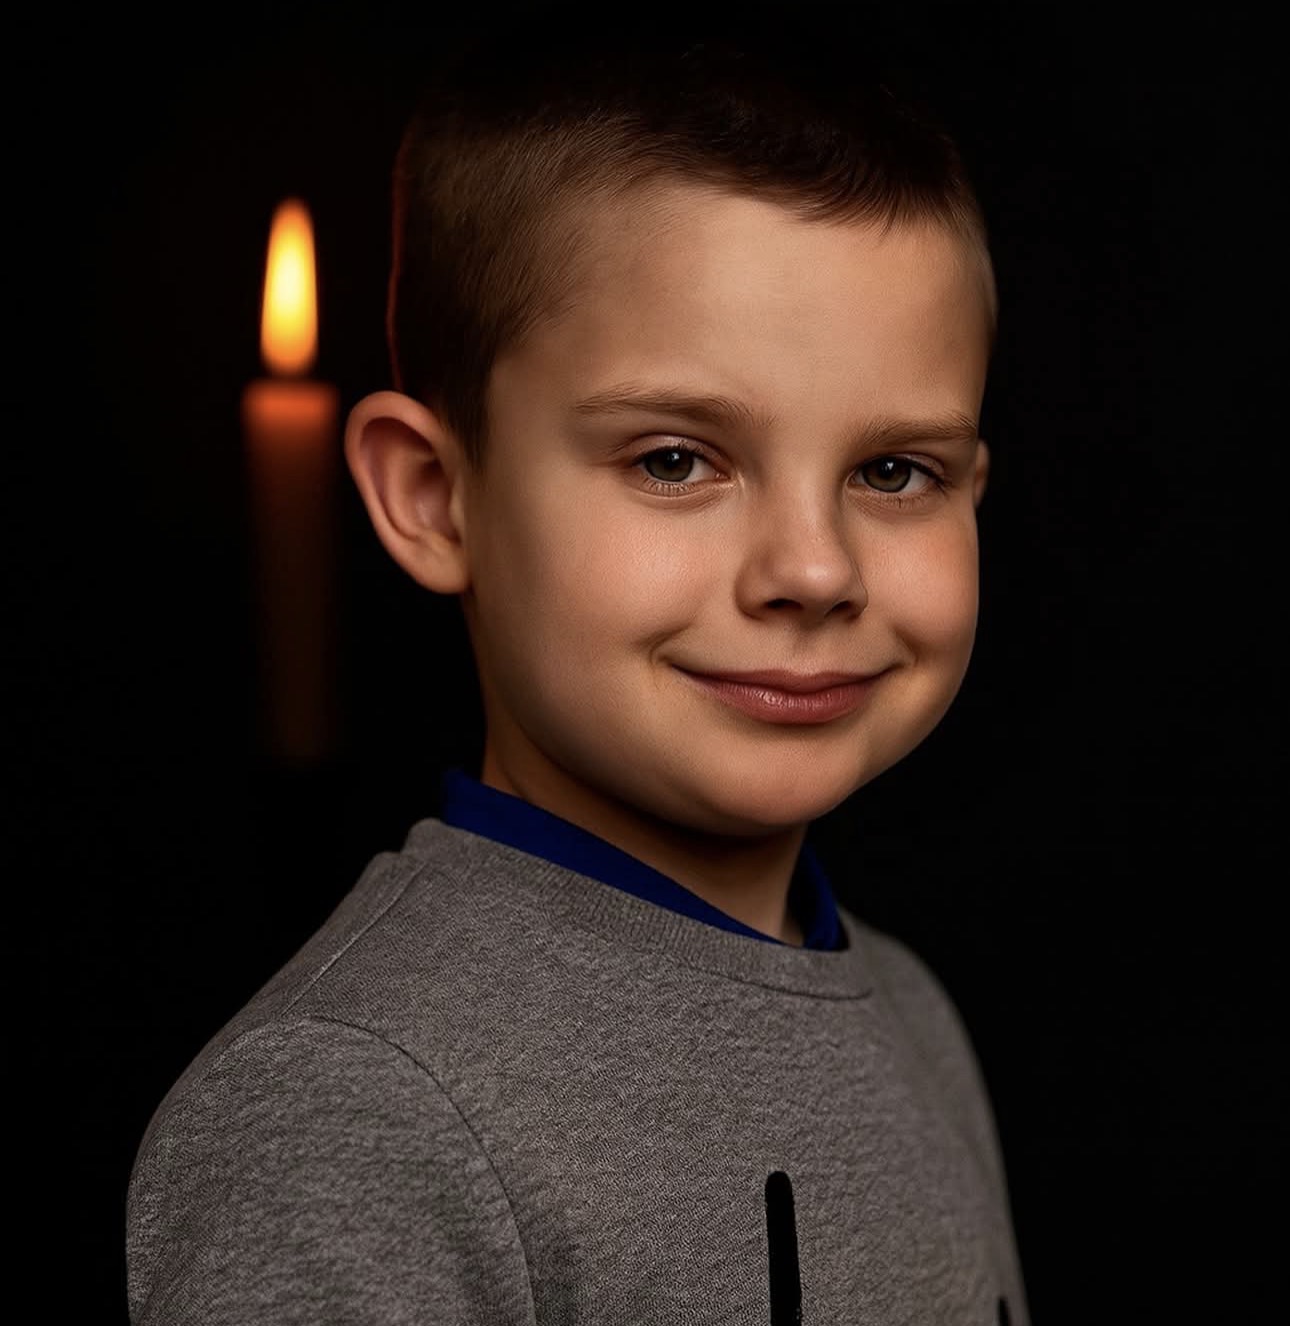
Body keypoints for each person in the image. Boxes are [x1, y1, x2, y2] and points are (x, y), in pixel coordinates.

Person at [126, 8, 1028, 1322]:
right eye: (675, 458)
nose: (813, 567)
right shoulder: (353, 1106)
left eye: (893, 471)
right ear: (433, 496)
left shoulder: (911, 1015)